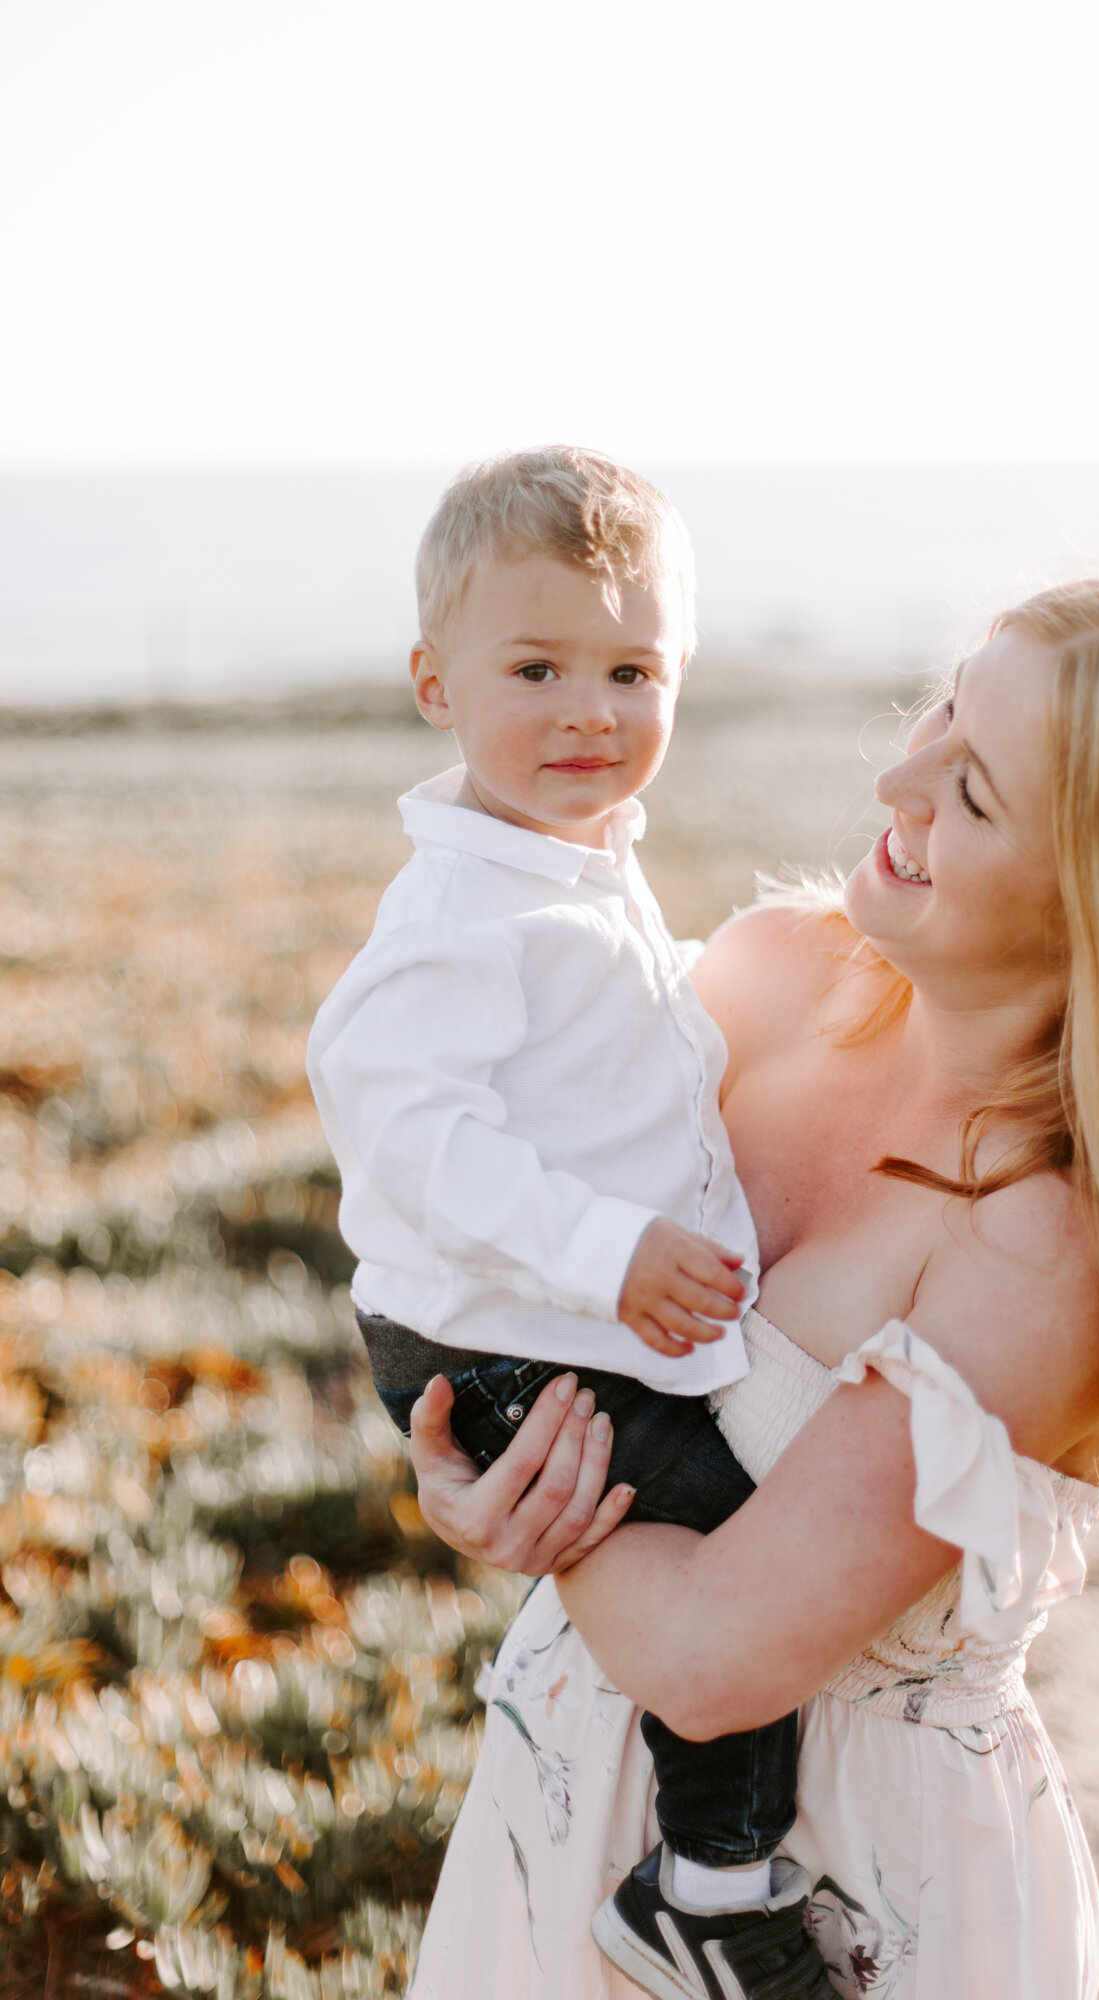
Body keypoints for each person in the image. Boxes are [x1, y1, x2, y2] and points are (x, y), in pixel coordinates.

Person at [403, 573, 1099, 2000]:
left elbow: (714, 1661)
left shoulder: (1048, 1250)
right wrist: (475, 1466)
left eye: (974, 789)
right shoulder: (764, 978)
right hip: (558, 1797)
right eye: (942, 707)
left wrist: (556, 1507)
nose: (897, 774)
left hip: (848, 1900)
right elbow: (506, 1262)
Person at [307, 446, 845, 1998]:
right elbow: (407, 1138)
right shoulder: (462, 911)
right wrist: (604, 1252)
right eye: (533, 667)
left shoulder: (580, 869)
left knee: (714, 1521)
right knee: (714, 1528)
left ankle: (703, 1859)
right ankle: (710, 1882)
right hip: (490, 1324)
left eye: (632, 668)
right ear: (434, 683)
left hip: (542, 1311)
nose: (589, 711)